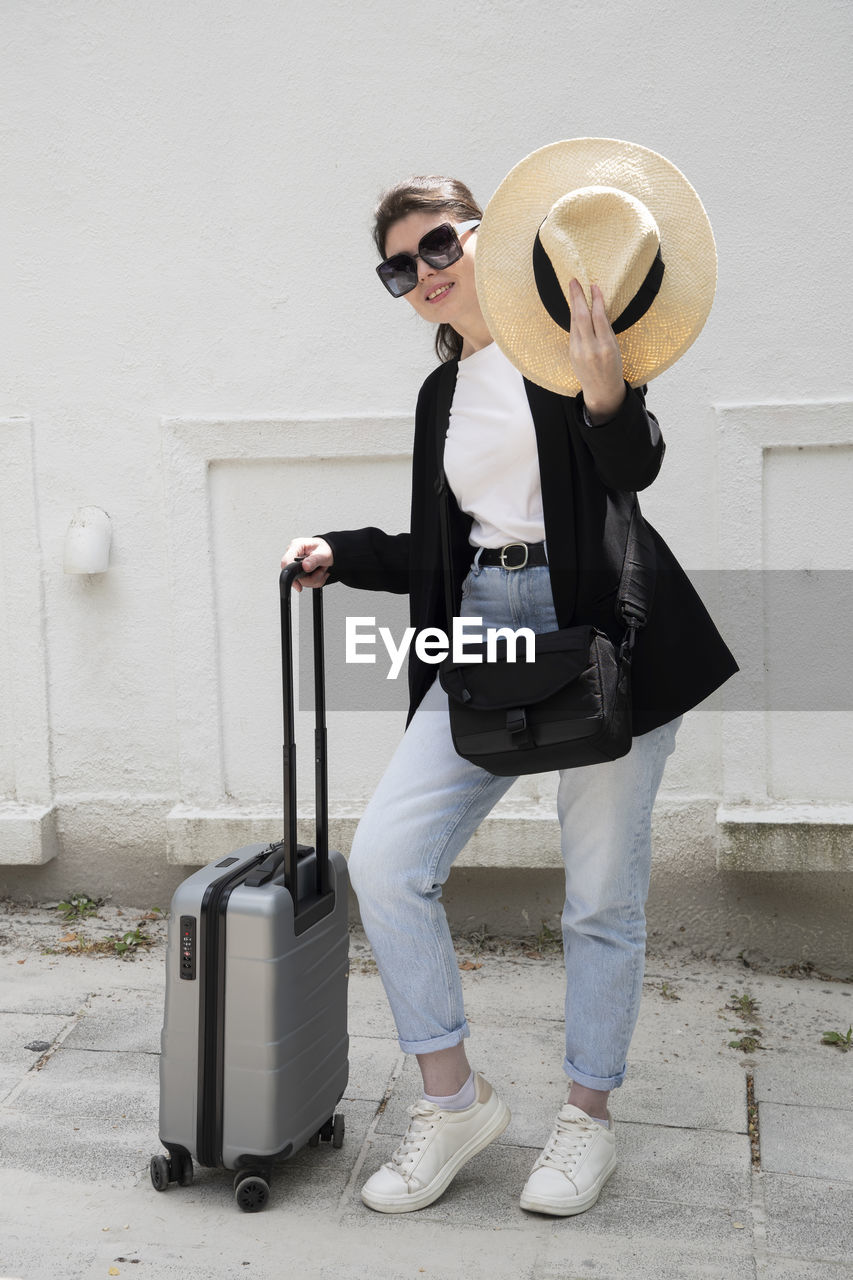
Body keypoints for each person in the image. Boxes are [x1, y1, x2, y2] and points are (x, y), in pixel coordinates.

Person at [282, 139, 738, 1218]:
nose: (425, 269)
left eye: (438, 242)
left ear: (485, 234)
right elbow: (452, 545)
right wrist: (341, 552)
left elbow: (633, 468)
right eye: (401, 265)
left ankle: (586, 1119)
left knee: (597, 898)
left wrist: (603, 391)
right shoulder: (441, 394)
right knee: (388, 857)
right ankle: (454, 1098)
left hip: (603, 639)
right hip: (482, 632)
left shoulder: (575, 340)